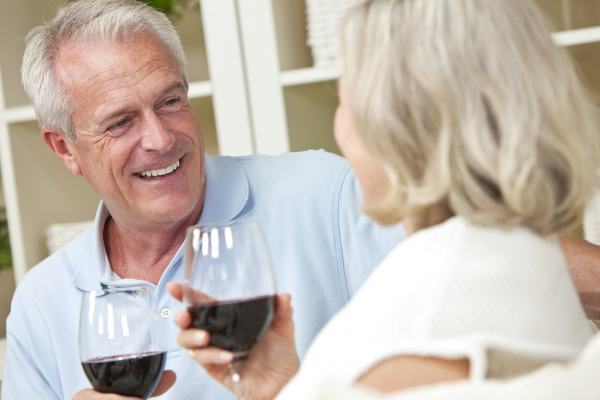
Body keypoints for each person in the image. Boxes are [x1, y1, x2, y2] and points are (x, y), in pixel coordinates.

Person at [174, 0, 600, 399]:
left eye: (343, 98)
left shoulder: (414, 315)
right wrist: (283, 387)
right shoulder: (536, 271)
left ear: (395, 127)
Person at [2, 1, 407, 399]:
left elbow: (445, 368)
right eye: (120, 122)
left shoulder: (325, 195)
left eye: (170, 101)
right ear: (65, 149)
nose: (160, 139)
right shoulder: (41, 301)